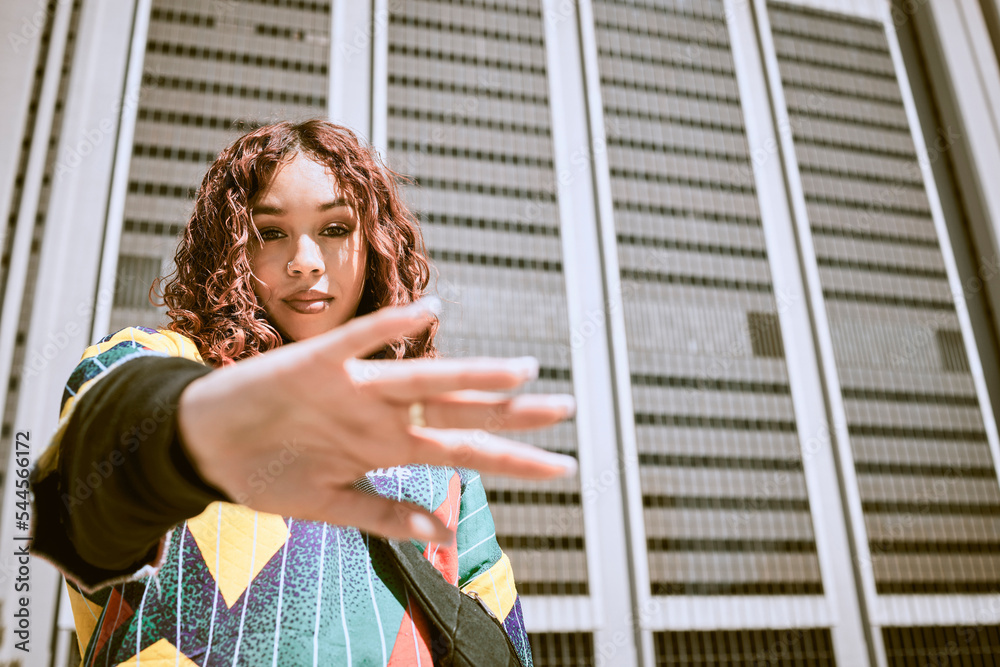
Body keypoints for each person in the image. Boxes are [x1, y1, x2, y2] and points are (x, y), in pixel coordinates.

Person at [30, 120, 577, 665]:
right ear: (231, 248)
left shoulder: (432, 439)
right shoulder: (160, 361)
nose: (305, 260)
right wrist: (190, 432)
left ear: (376, 243)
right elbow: (81, 478)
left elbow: (499, 642)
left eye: (335, 228)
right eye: (271, 233)